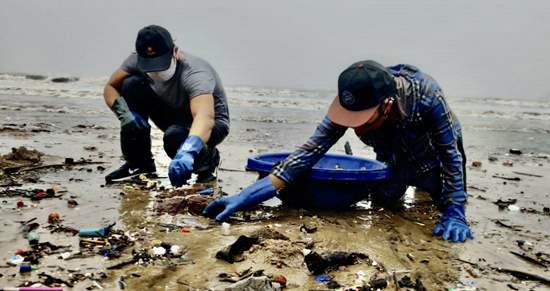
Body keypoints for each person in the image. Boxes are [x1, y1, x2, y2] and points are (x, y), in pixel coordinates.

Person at [204, 60, 472, 242]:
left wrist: (456, 210)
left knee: (440, 199)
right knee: (387, 200)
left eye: (362, 121)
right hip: (390, 153)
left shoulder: (426, 94)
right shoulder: (353, 100)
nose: (356, 128)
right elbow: (309, 152)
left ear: (386, 105)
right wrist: (247, 195)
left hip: (431, 153)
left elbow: (450, 155)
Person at [102, 25, 229, 187]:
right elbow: (110, 87)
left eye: (160, 63)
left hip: (210, 123)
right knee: (130, 84)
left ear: (175, 52)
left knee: (174, 137)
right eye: (149, 65)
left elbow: (204, 117)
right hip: (171, 112)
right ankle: (140, 164)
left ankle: (208, 163)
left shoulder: (196, 73)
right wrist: (124, 114)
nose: (155, 70)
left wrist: (188, 150)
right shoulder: (135, 61)